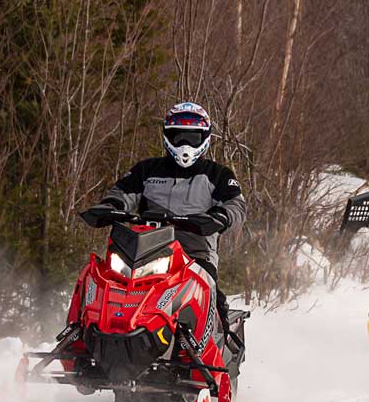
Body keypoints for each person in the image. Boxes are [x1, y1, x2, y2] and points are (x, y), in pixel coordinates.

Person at [81, 102, 246, 323]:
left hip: (194, 254)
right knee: (98, 277)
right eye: (178, 137)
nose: (185, 144)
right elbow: (123, 192)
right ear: (168, 136)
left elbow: (236, 205)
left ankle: (214, 345)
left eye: (192, 138)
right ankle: (81, 328)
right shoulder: (147, 170)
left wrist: (220, 217)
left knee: (211, 297)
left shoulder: (218, 175)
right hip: (142, 251)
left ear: (204, 138)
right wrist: (110, 207)